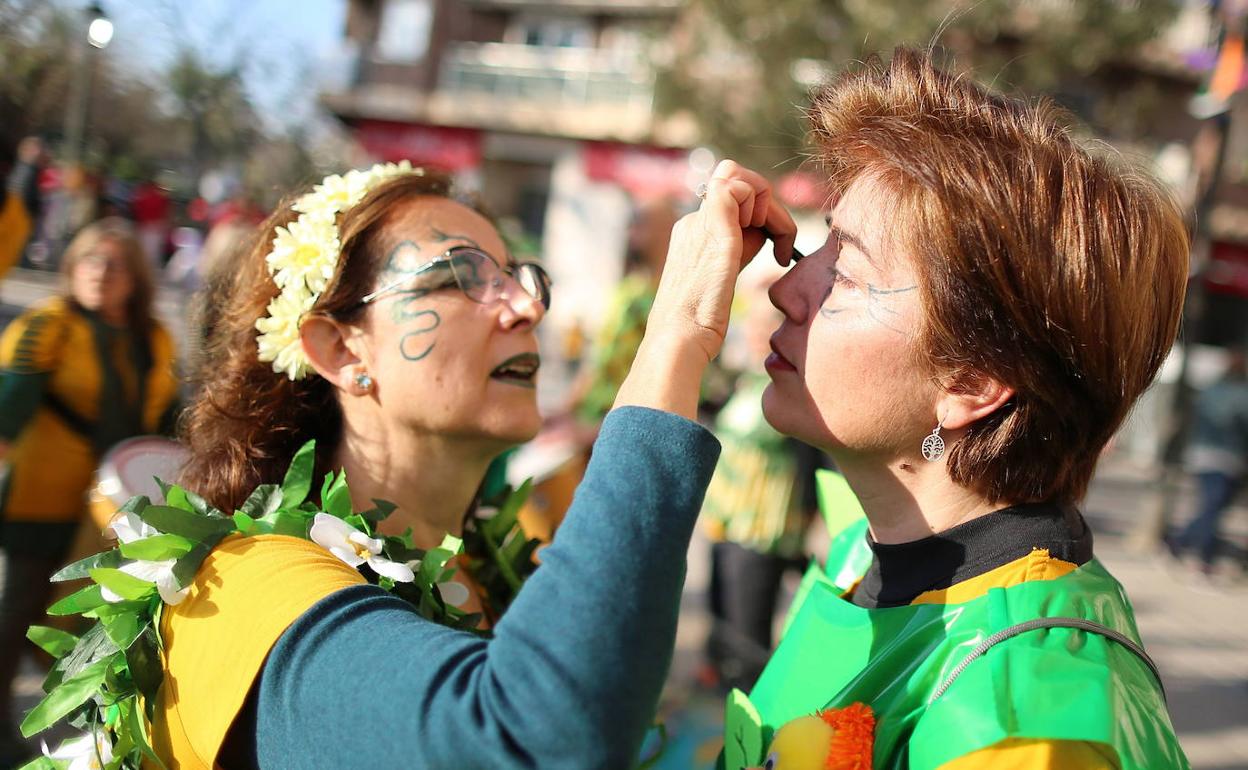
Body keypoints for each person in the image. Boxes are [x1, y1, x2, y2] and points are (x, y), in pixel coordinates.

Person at [23, 161, 793, 769]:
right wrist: (678, 334)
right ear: (339, 347)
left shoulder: (485, 567)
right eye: (463, 278)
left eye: (519, 277)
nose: (526, 307)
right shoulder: (243, 587)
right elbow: (533, 744)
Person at [722, 49, 1190, 770]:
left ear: (972, 383)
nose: (786, 288)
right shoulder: (862, 551)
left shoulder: (1023, 715)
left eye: (843, 270)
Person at [0, 217, 179, 765]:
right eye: (89, 261)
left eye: (115, 263)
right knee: (19, 614)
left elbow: (168, 420)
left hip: (116, 509)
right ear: (71, 268)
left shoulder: (154, 339)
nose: (100, 273)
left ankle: (90, 734)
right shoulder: (46, 326)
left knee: (101, 625)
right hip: (42, 498)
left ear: (136, 279)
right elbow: (8, 414)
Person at [701, 268, 818, 692]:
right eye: (749, 324)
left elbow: (813, 458)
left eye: (761, 325)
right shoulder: (748, 380)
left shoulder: (793, 389)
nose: (751, 333)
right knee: (722, 630)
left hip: (765, 532)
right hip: (727, 525)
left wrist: (813, 518)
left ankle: (745, 733)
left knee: (747, 640)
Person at [1167, 349, 1248, 577]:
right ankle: (1200, 554)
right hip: (1226, 459)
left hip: (1201, 455)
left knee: (1211, 506)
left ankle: (1180, 541)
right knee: (1214, 507)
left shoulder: (1210, 390)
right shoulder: (1241, 395)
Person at [0, 137, 46, 281]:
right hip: (18, 217)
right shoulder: (26, 170)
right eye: (37, 149)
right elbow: (24, 195)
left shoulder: (23, 169)